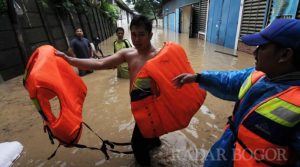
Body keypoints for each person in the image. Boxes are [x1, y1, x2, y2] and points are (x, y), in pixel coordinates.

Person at [173, 19, 300, 167]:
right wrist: (198, 78)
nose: (255, 52)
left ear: (284, 54)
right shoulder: (259, 75)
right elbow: (228, 81)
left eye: (262, 47)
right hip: (225, 152)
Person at [57, 15, 161, 166]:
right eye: (133, 34)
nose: (136, 39)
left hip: (153, 107)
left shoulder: (159, 56)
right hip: (137, 105)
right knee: (151, 136)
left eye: (141, 35)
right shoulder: (128, 54)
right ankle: (157, 148)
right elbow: (100, 63)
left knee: (137, 144)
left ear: (150, 35)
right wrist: (70, 60)